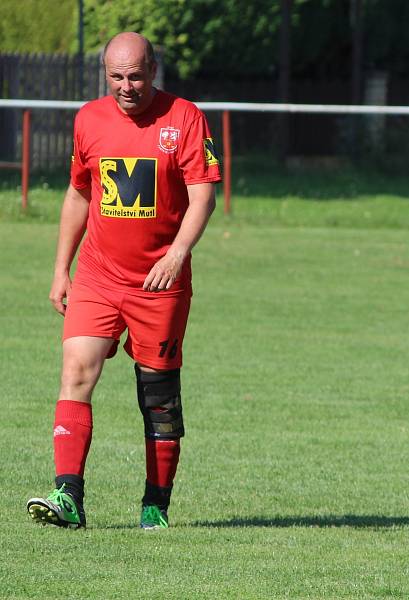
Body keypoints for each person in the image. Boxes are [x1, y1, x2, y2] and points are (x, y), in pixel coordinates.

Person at [26, 32, 220, 530]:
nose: (126, 86)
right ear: (105, 74)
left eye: (135, 75)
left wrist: (178, 254)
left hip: (159, 284)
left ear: (153, 69)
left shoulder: (185, 118)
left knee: (158, 398)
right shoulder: (88, 119)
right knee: (76, 372)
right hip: (98, 275)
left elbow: (203, 197)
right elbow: (78, 196)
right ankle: (69, 496)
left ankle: (155, 503)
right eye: (116, 76)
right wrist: (59, 269)